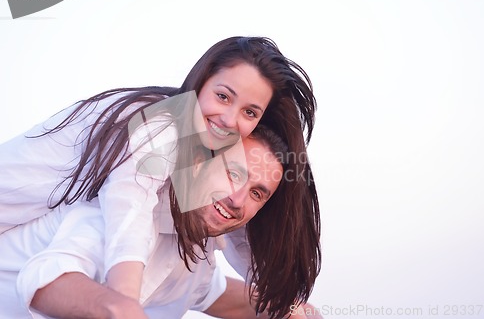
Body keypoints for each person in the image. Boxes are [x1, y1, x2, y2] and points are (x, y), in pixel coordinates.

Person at [0, 36, 320, 317]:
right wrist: (122, 304)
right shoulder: (161, 127)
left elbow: (239, 236)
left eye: (249, 112)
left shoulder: (194, 224)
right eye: (223, 96)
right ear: (201, 81)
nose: (229, 119)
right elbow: (129, 211)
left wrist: (287, 307)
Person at [0, 125, 319, 319]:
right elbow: (42, 278)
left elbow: (220, 296)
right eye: (233, 173)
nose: (237, 199)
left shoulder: (199, 257)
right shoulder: (125, 212)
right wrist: (118, 309)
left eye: (257, 193)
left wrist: (292, 311)